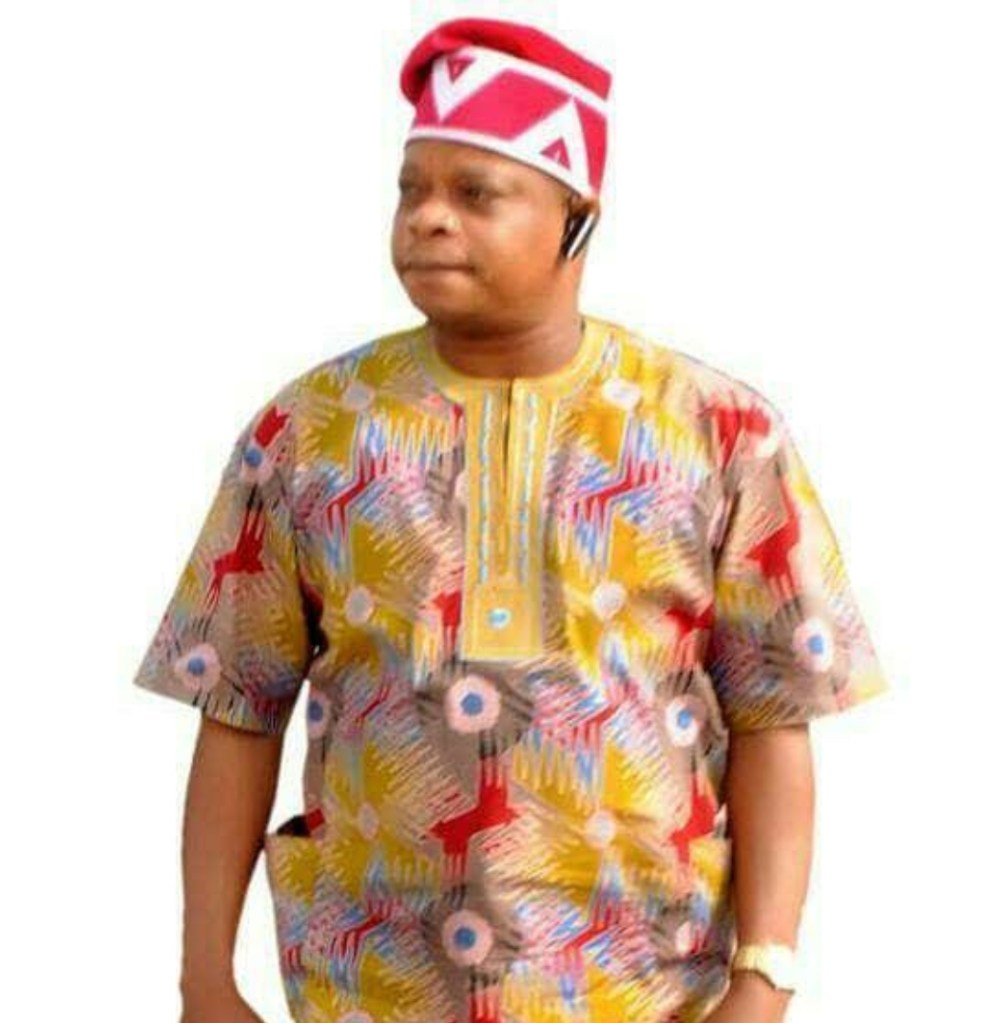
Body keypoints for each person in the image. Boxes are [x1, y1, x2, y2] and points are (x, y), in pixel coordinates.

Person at [132, 16, 890, 1023]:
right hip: (368, 991)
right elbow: (238, 709)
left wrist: (764, 976)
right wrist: (203, 979)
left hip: (647, 991)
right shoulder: (310, 431)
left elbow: (771, 718)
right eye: (410, 190)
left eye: (475, 194)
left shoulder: (715, 433)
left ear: (576, 220)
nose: (427, 220)